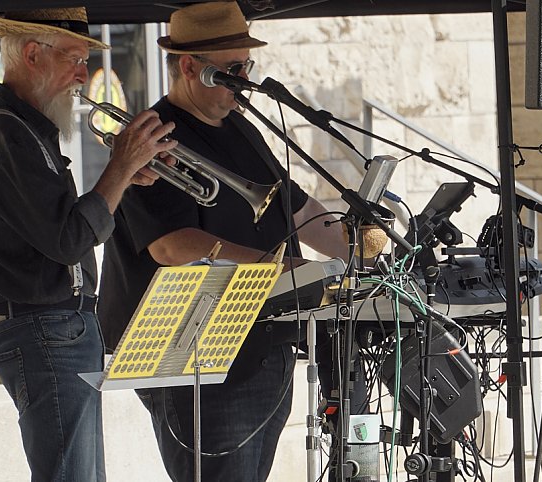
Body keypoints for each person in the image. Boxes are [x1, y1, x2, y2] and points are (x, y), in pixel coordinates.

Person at [97, 2, 352, 481]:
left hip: (261, 343)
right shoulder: (151, 138)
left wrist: (360, 247)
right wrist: (276, 266)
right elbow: (171, 247)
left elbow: (296, 209)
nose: (244, 81)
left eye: (247, 67)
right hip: (197, 357)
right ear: (191, 67)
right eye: (232, 70)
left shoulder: (241, 128)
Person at [0, 8, 177, 481]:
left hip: (58, 328)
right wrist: (118, 166)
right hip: (43, 328)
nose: (85, 74)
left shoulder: (26, 130)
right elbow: (71, 239)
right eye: (75, 58)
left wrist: (121, 180)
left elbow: (62, 227)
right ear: (33, 54)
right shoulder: (3, 136)